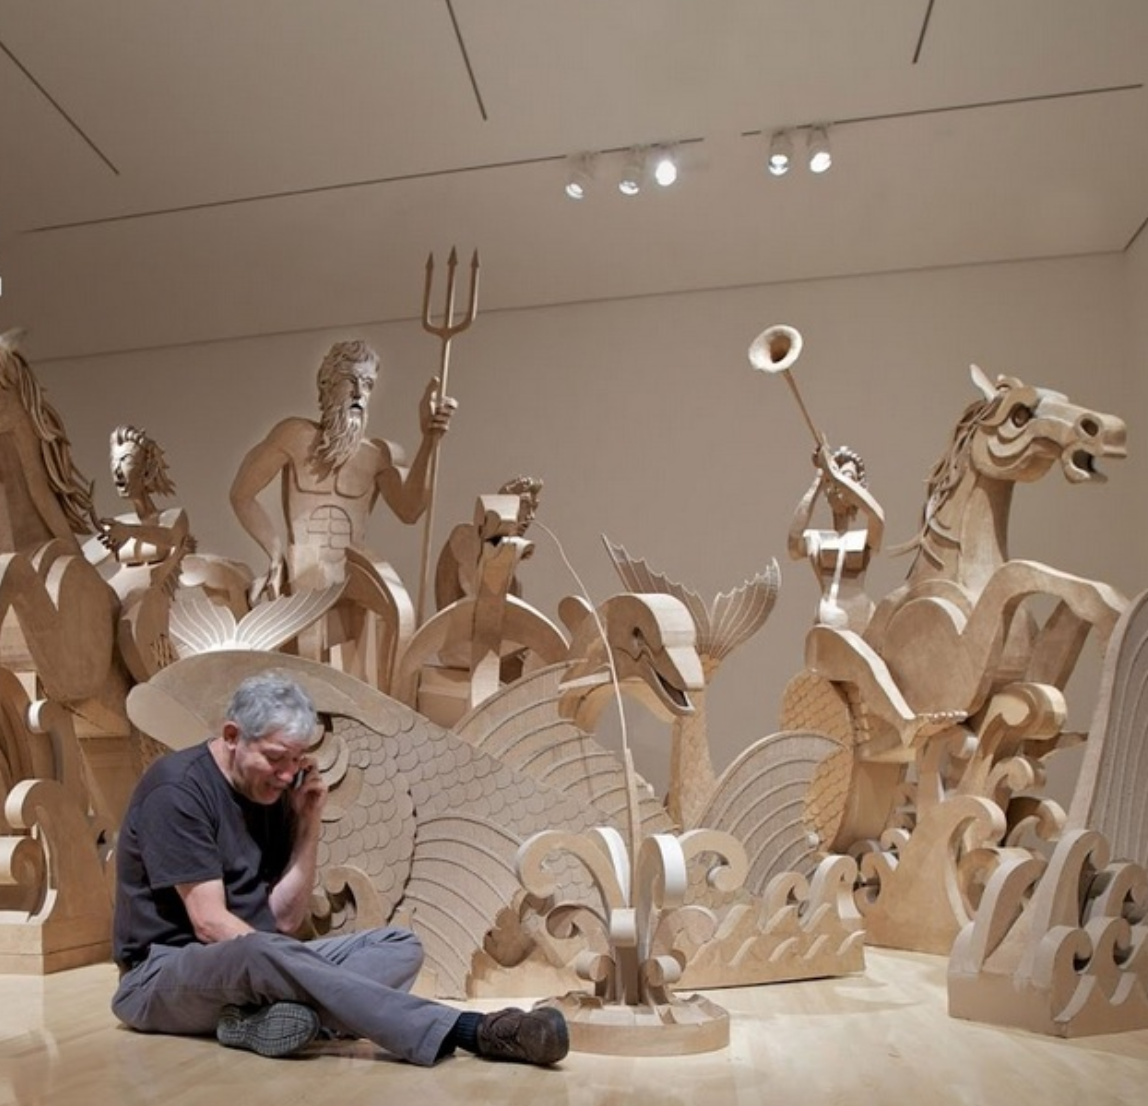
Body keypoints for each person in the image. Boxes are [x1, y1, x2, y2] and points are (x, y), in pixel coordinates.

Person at [111, 670, 569, 1066]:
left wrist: (308, 825)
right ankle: (469, 1030)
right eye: (275, 758)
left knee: (400, 945)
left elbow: (285, 921)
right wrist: (289, 963)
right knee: (260, 951)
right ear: (232, 736)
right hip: (159, 977)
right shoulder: (177, 790)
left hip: (258, 969)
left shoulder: (273, 792)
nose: (287, 774)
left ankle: (268, 1023)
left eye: (296, 759)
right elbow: (211, 924)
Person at [229, 339, 456, 606]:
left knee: (393, 611)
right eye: (350, 380)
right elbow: (241, 495)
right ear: (327, 384)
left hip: (354, 575)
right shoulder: (294, 436)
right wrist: (276, 555)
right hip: (303, 573)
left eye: (368, 384)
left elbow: (411, 510)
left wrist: (430, 439)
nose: (359, 392)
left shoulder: (379, 455)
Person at [787, 443, 884, 632]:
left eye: (849, 480)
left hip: (861, 617)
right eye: (833, 483)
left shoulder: (864, 538)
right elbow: (793, 545)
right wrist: (819, 479)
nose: (839, 488)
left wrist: (836, 475)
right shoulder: (817, 539)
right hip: (828, 615)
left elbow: (878, 517)